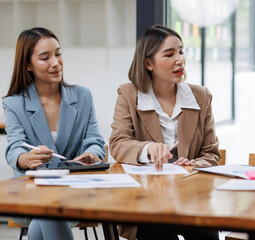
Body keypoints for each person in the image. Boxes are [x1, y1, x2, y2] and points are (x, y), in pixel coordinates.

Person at [109, 24, 220, 240]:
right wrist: (148, 149)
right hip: (148, 199)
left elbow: (211, 154)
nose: (180, 59)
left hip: (191, 198)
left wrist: (194, 164)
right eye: (169, 54)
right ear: (148, 63)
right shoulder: (129, 94)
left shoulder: (201, 96)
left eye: (181, 51)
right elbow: (118, 143)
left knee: (207, 234)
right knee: (157, 230)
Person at [3, 27, 106, 240]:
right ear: (28, 65)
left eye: (58, 53)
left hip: (75, 190)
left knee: (44, 217)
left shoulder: (82, 96)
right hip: (30, 191)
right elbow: (14, 148)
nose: (55, 62)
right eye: (45, 57)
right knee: (48, 209)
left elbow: (95, 140)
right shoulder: (14, 104)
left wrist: (92, 154)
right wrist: (27, 159)